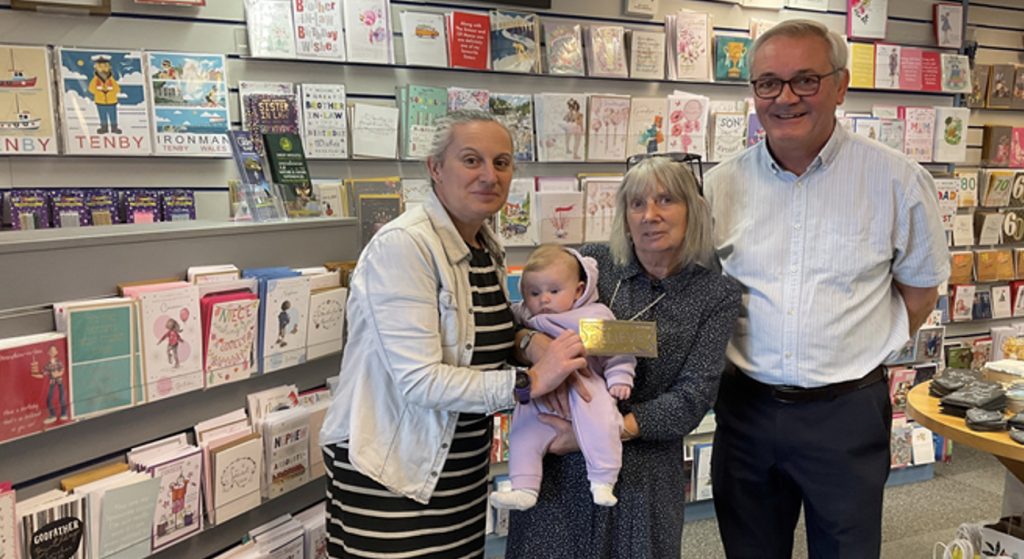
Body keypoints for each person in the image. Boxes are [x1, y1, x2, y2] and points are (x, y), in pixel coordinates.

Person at [705, 19, 950, 559]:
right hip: (745, 411)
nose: (785, 97)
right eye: (768, 82)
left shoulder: (897, 180)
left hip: (845, 414)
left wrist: (858, 353)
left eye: (805, 80)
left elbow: (920, 292)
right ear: (753, 93)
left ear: (840, 86)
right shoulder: (720, 184)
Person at [319, 111, 589, 559]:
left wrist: (526, 341)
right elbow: (420, 380)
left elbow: (482, 331)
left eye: (501, 163)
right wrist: (532, 381)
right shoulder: (404, 246)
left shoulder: (484, 245)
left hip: (457, 472)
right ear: (435, 168)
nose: (489, 175)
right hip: (395, 469)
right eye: (471, 160)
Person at [506, 156, 742, 559]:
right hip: (558, 468)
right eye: (636, 204)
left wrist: (592, 435)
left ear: (693, 209)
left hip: (644, 474)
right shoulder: (595, 265)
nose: (650, 215)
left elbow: (693, 397)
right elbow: (522, 317)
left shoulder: (715, 294)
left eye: (666, 200)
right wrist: (531, 341)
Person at [490, 245, 635, 511]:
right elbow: (508, 324)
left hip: (586, 384)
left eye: (554, 291)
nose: (544, 299)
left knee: (601, 422)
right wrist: (525, 337)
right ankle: (524, 486)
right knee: (523, 430)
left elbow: (619, 350)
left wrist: (620, 377)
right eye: (534, 293)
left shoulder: (594, 315)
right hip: (540, 390)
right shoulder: (530, 314)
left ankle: (603, 478)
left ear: (579, 291)